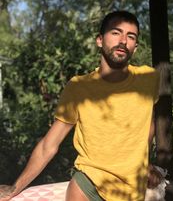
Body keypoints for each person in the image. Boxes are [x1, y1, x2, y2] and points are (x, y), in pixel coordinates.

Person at [0, 11, 162, 201]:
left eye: (131, 36)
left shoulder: (149, 79)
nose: (123, 41)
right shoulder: (78, 87)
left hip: (131, 189)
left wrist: (145, 163)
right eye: (116, 33)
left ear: (135, 47)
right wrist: (14, 188)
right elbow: (49, 145)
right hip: (88, 183)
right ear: (99, 40)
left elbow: (148, 124)